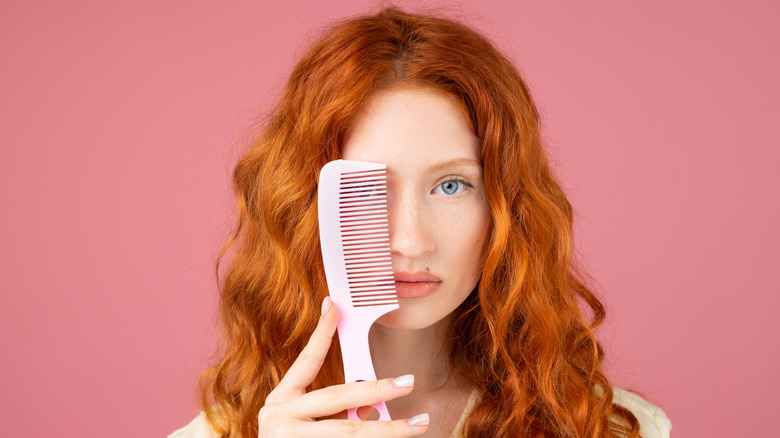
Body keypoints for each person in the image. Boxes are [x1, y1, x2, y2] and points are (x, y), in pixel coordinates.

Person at [170, 7, 672, 438]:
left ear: (506, 208)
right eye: (371, 192)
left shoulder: (612, 428)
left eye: (451, 186)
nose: (411, 241)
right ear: (307, 208)